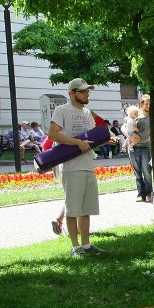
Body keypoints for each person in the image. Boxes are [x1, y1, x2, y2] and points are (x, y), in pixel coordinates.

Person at [48, 78, 113, 256]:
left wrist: (104, 140)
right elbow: (52, 134)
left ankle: (86, 245)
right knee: (73, 209)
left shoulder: (87, 113)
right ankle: (75, 247)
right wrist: (77, 142)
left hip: (87, 165)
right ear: (72, 93)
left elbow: (88, 141)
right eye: (83, 91)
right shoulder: (62, 110)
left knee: (86, 209)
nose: (87, 94)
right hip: (71, 167)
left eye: (87, 91)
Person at [130, 94, 154, 203]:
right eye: (146, 104)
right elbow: (124, 127)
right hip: (133, 148)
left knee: (147, 170)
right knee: (137, 172)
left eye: (150, 104)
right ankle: (141, 194)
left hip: (145, 147)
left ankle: (149, 192)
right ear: (141, 104)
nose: (148, 106)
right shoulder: (135, 115)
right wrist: (129, 137)